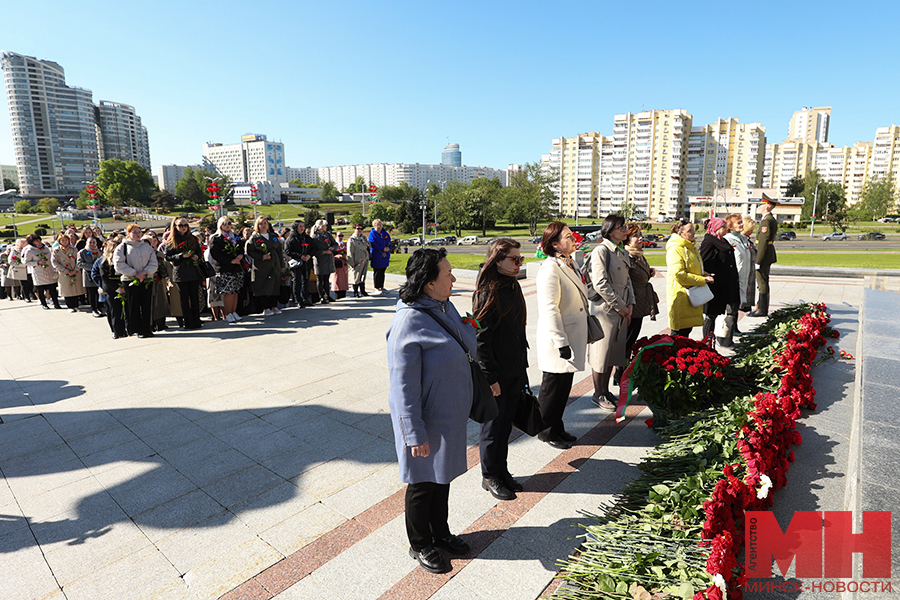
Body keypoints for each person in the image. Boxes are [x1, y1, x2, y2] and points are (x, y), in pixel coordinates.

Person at [387, 247, 472, 574]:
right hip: (425, 422)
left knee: (442, 477)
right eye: (447, 274)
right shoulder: (408, 322)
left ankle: (441, 532)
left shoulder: (443, 306)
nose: (453, 277)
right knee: (423, 483)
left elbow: (466, 344)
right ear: (428, 283)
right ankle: (420, 543)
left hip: (447, 417)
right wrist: (414, 434)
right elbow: (402, 388)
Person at [472, 238, 528, 501]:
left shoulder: (512, 285)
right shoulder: (488, 291)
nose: (518, 264)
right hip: (497, 373)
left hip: (515, 367)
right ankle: (489, 476)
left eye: (521, 259)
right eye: (513, 259)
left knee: (506, 426)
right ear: (497, 260)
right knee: (493, 429)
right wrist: (490, 377)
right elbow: (481, 339)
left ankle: (502, 471)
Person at [535, 222, 588, 450]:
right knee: (552, 390)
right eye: (568, 236)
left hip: (571, 335)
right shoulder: (550, 269)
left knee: (563, 388)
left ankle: (556, 426)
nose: (573, 239)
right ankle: (545, 430)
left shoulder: (568, 263)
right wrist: (561, 342)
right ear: (555, 244)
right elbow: (549, 309)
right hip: (558, 339)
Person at [587, 215, 635, 410]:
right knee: (601, 353)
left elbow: (628, 281)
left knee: (612, 353)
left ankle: (606, 391)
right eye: (621, 227)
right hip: (606, 310)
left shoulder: (620, 251)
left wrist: (630, 304)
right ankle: (598, 394)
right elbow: (600, 283)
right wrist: (620, 305)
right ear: (609, 230)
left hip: (621, 309)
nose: (625, 230)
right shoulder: (602, 250)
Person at [616, 223, 659, 386]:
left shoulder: (639, 254)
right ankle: (621, 373)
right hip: (631, 304)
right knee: (627, 340)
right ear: (627, 239)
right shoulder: (627, 256)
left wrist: (649, 271)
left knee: (631, 338)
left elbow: (640, 273)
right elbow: (625, 281)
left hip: (640, 302)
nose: (640, 238)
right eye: (636, 236)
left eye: (641, 235)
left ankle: (623, 371)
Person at [665, 220, 714, 337]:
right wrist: (703, 280)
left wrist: (705, 274)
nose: (693, 233)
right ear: (680, 233)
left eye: (693, 230)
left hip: (690, 295)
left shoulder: (691, 247)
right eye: (689, 231)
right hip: (681, 295)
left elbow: (693, 269)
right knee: (678, 333)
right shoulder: (675, 249)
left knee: (686, 331)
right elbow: (678, 274)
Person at [699, 217, 740, 347]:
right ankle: (706, 343)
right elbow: (703, 261)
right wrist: (707, 274)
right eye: (723, 227)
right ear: (716, 228)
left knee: (721, 314)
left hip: (727, 284)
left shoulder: (721, 240)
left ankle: (720, 341)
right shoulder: (709, 241)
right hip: (715, 285)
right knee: (711, 315)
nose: (726, 229)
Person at [114, 224, 158, 338]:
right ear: (129, 233)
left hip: (146, 278)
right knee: (133, 305)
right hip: (130, 280)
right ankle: (137, 329)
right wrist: (134, 273)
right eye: (134, 232)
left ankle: (147, 328)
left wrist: (145, 272)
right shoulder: (122, 247)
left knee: (146, 304)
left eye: (139, 232)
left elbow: (153, 263)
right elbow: (119, 264)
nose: (138, 234)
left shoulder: (147, 247)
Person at [165, 218, 206, 329]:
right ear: (175, 227)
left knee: (194, 296)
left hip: (193, 270)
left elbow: (198, 250)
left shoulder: (192, 238)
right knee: (184, 298)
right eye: (180, 225)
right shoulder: (172, 240)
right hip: (181, 272)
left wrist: (196, 256)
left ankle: (196, 320)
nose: (183, 227)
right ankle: (188, 321)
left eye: (185, 225)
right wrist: (181, 256)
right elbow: (167, 256)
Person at [245, 216, 285, 316]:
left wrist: (281, 264)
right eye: (261, 223)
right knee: (263, 285)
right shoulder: (255, 237)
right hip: (262, 266)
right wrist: (262, 256)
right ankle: (265, 307)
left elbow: (279, 251)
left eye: (265, 223)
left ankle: (274, 306)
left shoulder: (273, 236)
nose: (263, 225)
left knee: (274, 284)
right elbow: (250, 251)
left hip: (274, 263)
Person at [209, 216, 245, 323]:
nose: (227, 225)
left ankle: (234, 311)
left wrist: (240, 256)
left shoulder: (234, 236)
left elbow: (241, 248)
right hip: (224, 268)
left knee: (235, 291)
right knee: (228, 292)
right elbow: (215, 254)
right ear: (220, 225)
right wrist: (230, 260)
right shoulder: (216, 238)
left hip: (236, 267)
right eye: (225, 223)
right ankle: (228, 313)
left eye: (229, 223)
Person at [749, 197, 778, 317]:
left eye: (761, 205)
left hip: (764, 255)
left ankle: (762, 309)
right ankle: (761, 307)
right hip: (767, 254)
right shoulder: (768, 219)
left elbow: (763, 241)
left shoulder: (766, 220)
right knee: (763, 281)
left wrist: (758, 259)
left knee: (762, 282)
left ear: (766, 206)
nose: (759, 207)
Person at [723, 214, 751, 333]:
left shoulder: (743, 239)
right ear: (730, 226)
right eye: (738, 223)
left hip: (743, 277)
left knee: (737, 305)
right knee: (731, 307)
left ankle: (734, 328)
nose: (741, 224)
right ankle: (727, 334)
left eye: (741, 222)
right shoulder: (728, 239)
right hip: (733, 279)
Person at [96, 235, 127, 339]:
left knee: (123, 311)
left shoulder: (121, 260)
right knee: (114, 311)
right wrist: (118, 289)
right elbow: (105, 278)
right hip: (112, 290)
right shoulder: (105, 262)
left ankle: (125, 329)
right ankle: (117, 331)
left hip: (122, 288)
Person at [23, 234, 61, 309]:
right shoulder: (29, 250)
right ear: (32, 242)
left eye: (39, 240)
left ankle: (56, 303)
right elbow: (25, 262)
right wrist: (37, 262)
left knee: (52, 287)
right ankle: (44, 304)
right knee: (40, 289)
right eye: (37, 241)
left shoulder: (45, 248)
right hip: (38, 272)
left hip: (49, 270)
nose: (39, 242)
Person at [51, 232, 84, 312]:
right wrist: (63, 269)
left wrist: (76, 269)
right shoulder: (56, 251)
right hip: (64, 272)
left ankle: (76, 305)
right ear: (59, 241)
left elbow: (78, 260)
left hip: (74, 271)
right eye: (63, 240)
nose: (65, 242)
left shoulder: (74, 249)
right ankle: (70, 306)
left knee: (75, 289)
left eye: (66, 240)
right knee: (67, 289)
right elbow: (54, 262)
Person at [284, 220, 314, 307]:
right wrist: (300, 256)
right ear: (295, 228)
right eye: (300, 226)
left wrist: (309, 255)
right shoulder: (291, 238)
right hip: (297, 263)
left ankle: (305, 298)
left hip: (307, 262)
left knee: (306, 280)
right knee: (297, 281)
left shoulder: (306, 238)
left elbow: (314, 248)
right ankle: (298, 300)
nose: (302, 228)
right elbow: (288, 251)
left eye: (303, 226)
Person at [311, 219, 338, 304]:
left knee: (327, 278)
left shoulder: (328, 234)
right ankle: (321, 296)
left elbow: (335, 243)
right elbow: (313, 250)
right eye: (325, 225)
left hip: (328, 259)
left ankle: (327, 295)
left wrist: (333, 248)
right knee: (320, 278)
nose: (326, 227)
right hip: (320, 260)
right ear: (320, 227)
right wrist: (324, 252)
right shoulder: (314, 237)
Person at [77, 236, 104, 317]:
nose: (92, 244)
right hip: (88, 275)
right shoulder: (82, 252)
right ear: (86, 243)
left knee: (99, 292)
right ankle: (94, 309)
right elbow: (80, 263)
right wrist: (93, 266)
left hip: (98, 274)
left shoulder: (99, 251)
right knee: (91, 293)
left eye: (94, 242)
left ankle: (99, 308)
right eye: (90, 242)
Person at [368, 219, 391, 295]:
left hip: (385, 256)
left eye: (380, 225)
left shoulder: (385, 233)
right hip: (377, 255)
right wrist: (382, 248)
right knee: (377, 272)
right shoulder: (372, 234)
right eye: (377, 225)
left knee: (382, 271)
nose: (379, 226)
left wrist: (389, 248)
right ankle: (377, 287)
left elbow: (390, 242)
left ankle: (382, 286)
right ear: (373, 226)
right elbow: (373, 243)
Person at [347, 224, 370, 297]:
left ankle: (363, 291)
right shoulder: (352, 239)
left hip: (364, 258)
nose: (360, 230)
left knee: (363, 275)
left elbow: (368, 246)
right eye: (358, 228)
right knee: (356, 276)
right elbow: (349, 252)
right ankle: (356, 292)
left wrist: (367, 242)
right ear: (354, 229)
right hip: (357, 259)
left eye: (361, 229)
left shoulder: (363, 237)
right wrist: (351, 262)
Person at [742, 216, 758, 312]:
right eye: (750, 229)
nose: (752, 231)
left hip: (750, 270)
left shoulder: (747, 240)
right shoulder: (742, 240)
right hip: (745, 271)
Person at [332, 231, 350, 299]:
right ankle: (337, 294)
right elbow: (331, 254)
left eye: (342, 235)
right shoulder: (334, 244)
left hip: (344, 264)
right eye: (339, 236)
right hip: (337, 263)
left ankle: (344, 293)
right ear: (336, 236)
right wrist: (337, 256)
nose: (341, 237)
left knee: (344, 279)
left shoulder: (344, 244)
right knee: (337, 279)